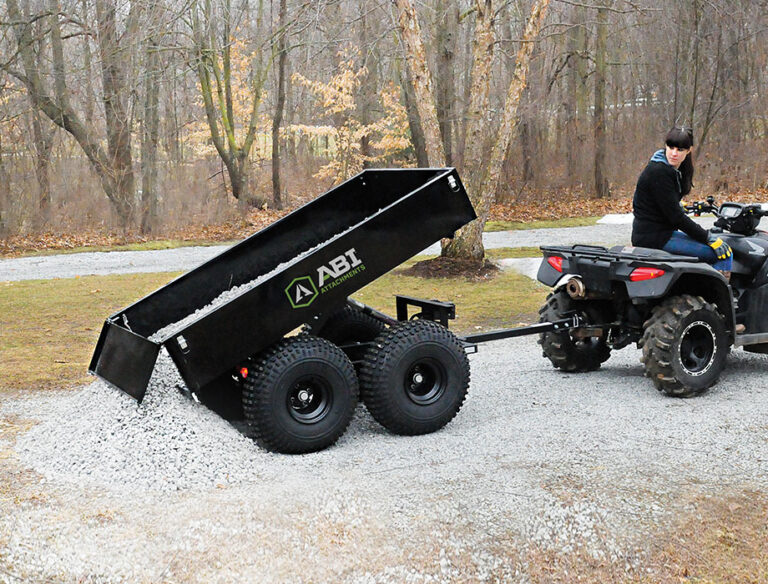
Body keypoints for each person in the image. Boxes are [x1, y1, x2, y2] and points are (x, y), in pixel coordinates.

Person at [631, 126, 732, 277]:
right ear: (665, 146)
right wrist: (707, 237)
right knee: (724, 253)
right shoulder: (659, 172)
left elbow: (663, 202)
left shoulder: (674, 169)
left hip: (659, 233)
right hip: (654, 237)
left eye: (680, 150)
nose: (674, 153)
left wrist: (676, 204)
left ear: (689, 150)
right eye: (670, 147)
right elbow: (676, 218)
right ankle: (719, 298)